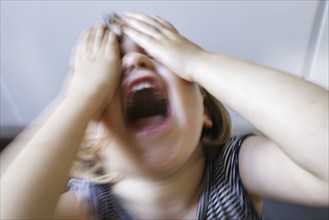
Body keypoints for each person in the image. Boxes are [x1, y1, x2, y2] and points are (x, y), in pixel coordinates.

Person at [1, 12, 328, 220]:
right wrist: (79, 96)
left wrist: (199, 62)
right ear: (89, 138)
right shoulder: (88, 207)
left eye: (157, 56)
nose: (134, 64)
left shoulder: (236, 169)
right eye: (113, 75)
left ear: (205, 112)